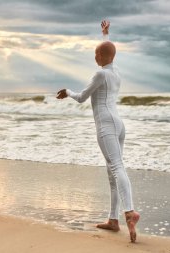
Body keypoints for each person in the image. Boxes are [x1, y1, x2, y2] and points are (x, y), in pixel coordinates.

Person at [56, 20, 140, 243]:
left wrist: (68, 91)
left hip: (105, 125)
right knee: (112, 171)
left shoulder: (99, 74)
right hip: (119, 124)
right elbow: (110, 53)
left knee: (117, 167)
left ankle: (130, 212)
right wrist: (105, 35)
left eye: (96, 54)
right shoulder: (115, 72)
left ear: (102, 58)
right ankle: (113, 220)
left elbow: (82, 97)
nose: (95, 57)